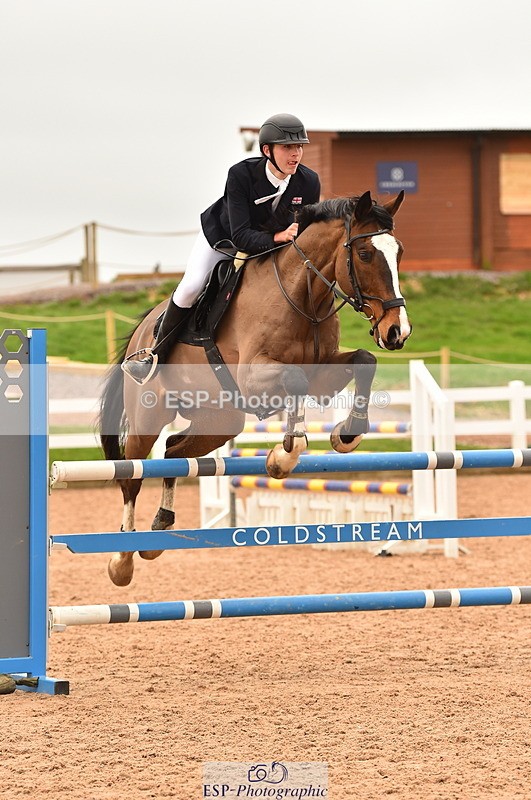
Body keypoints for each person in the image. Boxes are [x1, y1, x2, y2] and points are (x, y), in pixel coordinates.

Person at [123, 113, 321, 383]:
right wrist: (279, 237)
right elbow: (241, 236)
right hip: (224, 239)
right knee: (192, 286)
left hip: (274, 245)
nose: (295, 154)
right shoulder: (241, 175)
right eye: (288, 147)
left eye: (299, 147)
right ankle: (154, 355)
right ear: (267, 150)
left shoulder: (309, 182)